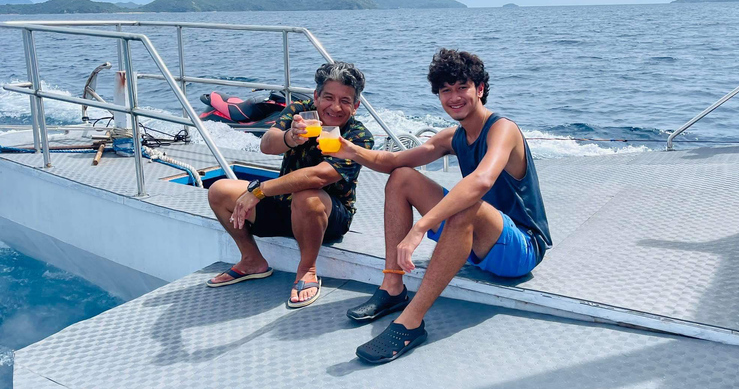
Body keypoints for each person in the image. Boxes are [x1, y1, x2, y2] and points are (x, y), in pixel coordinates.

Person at [323, 49, 552, 363]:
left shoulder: (503, 129)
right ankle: (392, 287)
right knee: (402, 177)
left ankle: (411, 321)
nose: (454, 97)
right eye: (446, 90)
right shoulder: (453, 137)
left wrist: (421, 226)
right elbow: (391, 160)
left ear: (480, 89)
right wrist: (347, 148)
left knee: (467, 203)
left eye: (462, 88)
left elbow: (482, 181)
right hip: (479, 242)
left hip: (521, 250)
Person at [206, 61, 374, 308]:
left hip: (327, 216)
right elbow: (267, 144)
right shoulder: (301, 112)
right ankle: (252, 260)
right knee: (219, 191)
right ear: (316, 97)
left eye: (345, 101)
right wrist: (290, 137)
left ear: (356, 106)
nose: (335, 107)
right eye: (328, 97)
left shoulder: (359, 137)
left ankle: (307, 269)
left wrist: (259, 191)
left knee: (307, 195)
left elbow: (318, 177)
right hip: (285, 205)